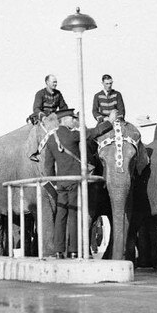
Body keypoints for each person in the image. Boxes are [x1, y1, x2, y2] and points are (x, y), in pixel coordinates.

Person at [44, 108, 116, 258]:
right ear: (64, 120)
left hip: (61, 183)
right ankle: (73, 250)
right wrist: (110, 122)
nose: (74, 120)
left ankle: (58, 251)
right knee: (74, 214)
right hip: (75, 181)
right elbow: (95, 132)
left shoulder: (50, 139)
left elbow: (48, 167)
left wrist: (55, 184)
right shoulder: (73, 135)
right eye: (72, 118)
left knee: (60, 215)